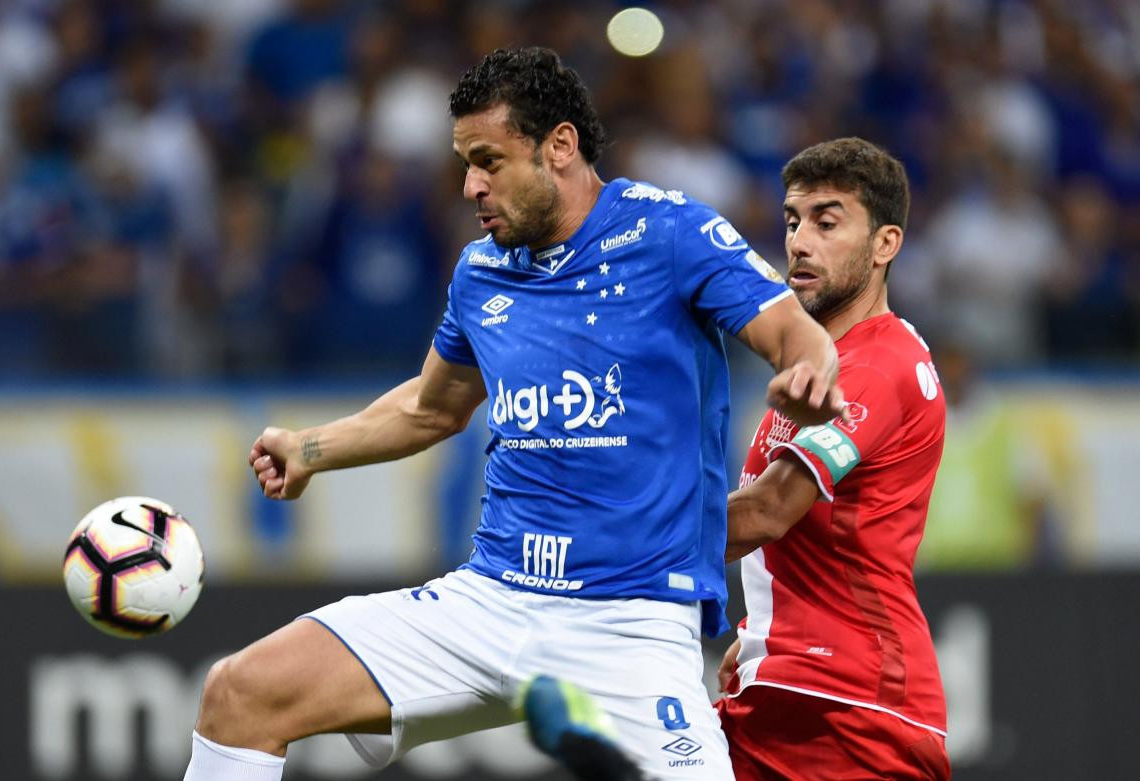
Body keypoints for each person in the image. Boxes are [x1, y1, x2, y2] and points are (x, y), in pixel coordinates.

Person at [183, 47, 843, 781]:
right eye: (466, 162)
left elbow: (790, 330)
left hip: (628, 622)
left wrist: (810, 370)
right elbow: (433, 408)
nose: (471, 184)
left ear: (559, 146)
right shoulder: (481, 271)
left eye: (489, 160)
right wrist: (310, 449)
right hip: (489, 600)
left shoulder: (668, 233)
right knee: (239, 693)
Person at [714, 137, 951, 780]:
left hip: (851, 714)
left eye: (827, 221)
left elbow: (766, 513)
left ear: (885, 245)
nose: (799, 241)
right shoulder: (819, 363)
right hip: (795, 692)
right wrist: (762, 626)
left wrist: (604, 534)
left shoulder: (877, 366)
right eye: (792, 221)